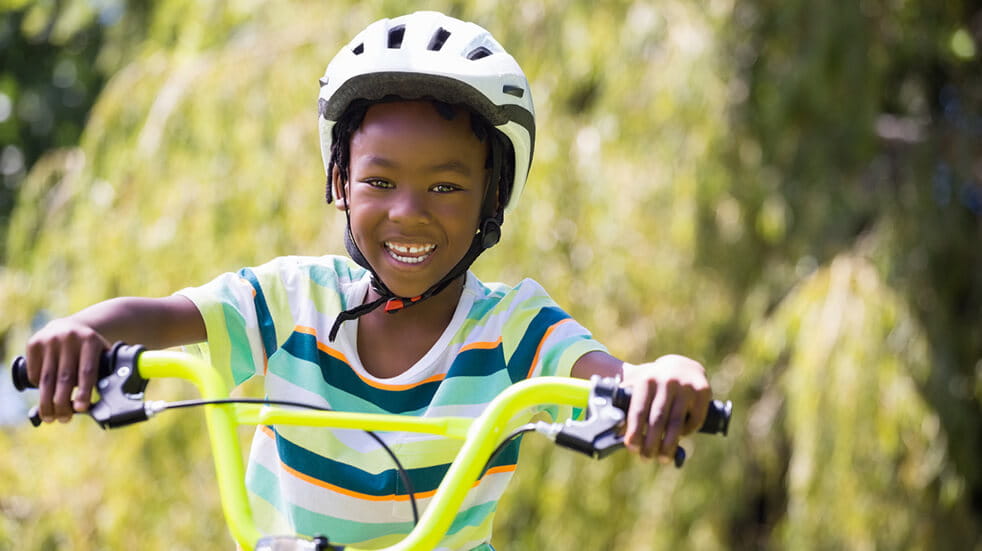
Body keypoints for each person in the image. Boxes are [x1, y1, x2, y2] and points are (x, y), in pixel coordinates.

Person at [22, 11, 712, 550]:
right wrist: (81, 332)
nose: (407, 212)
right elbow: (165, 315)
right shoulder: (292, 301)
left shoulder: (513, 329)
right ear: (340, 184)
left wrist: (664, 378)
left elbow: (610, 375)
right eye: (379, 181)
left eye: (445, 185)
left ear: (491, 200)